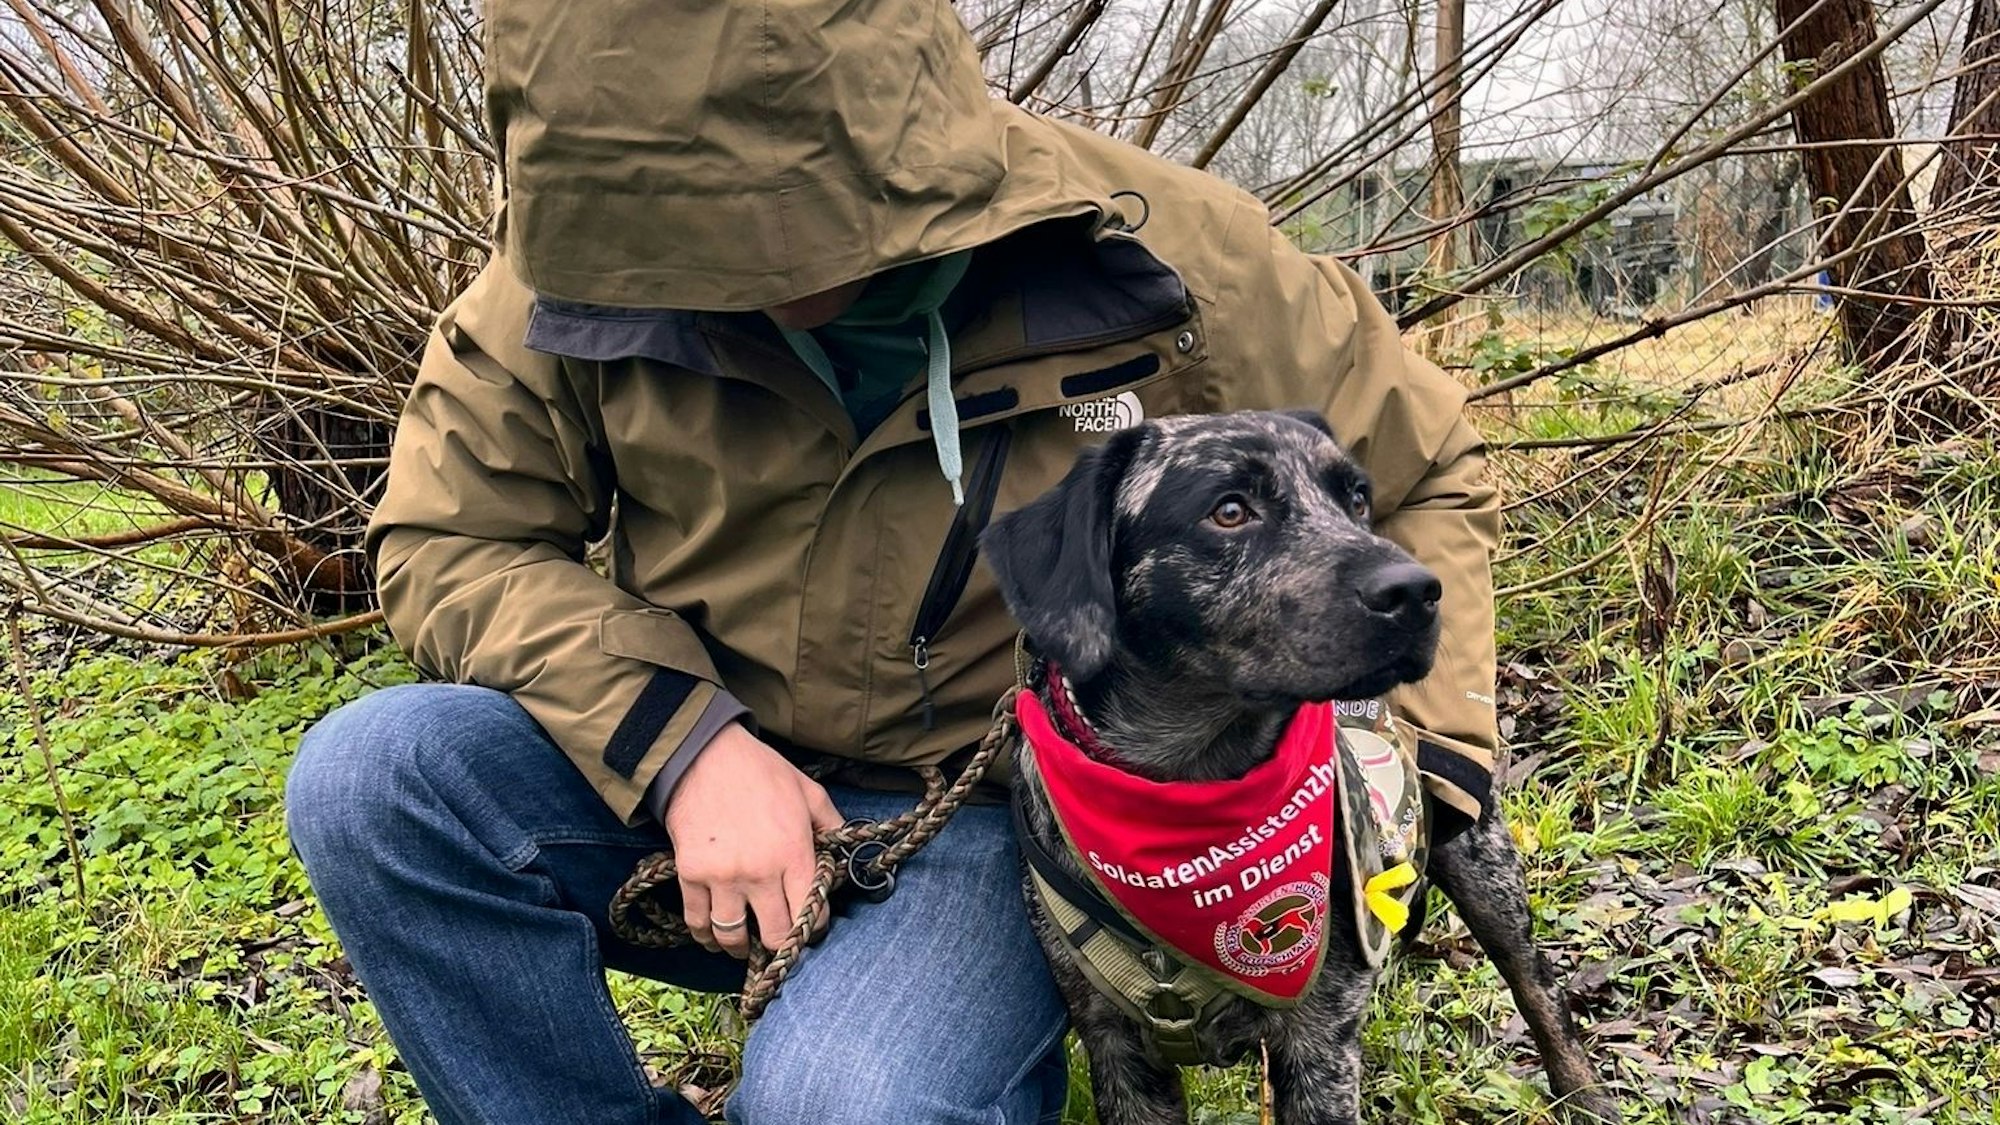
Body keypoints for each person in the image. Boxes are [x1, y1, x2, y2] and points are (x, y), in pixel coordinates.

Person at [283, 1, 1501, 1121]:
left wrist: (1432, 765)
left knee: (848, 1105)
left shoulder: (1158, 252)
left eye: (780, 232)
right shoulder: (571, 267)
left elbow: (1426, 468)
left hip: (988, 816)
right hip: (679, 785)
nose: (740, 287)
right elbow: (453, 537)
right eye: (688, 249)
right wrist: (686, 745)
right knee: (375, 778)